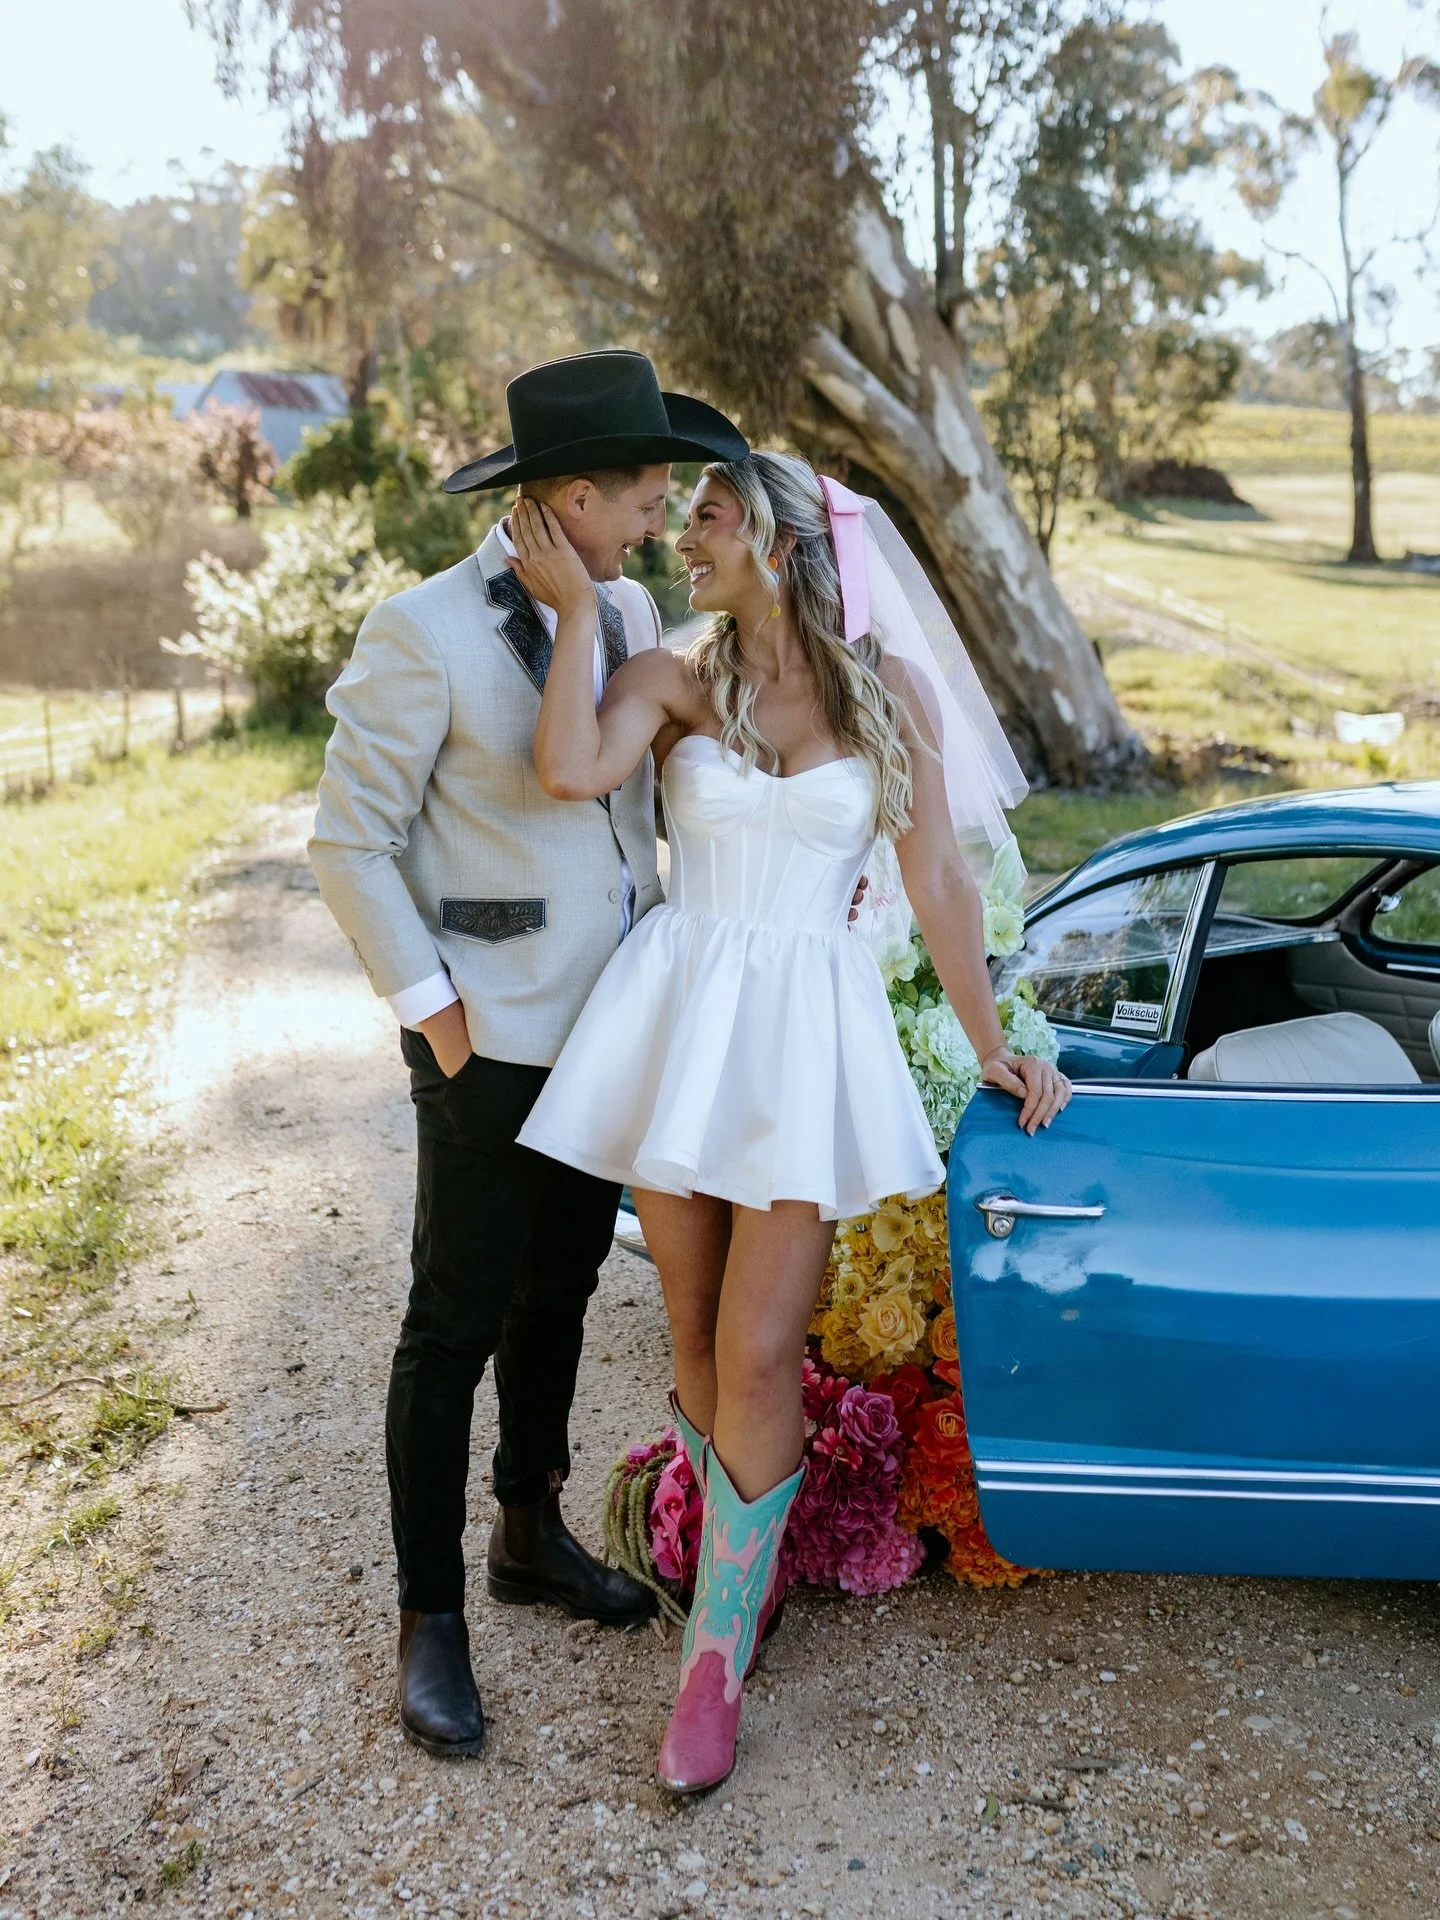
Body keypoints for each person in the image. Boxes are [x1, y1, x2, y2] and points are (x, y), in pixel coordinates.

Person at [510, 450, 1072, 1794]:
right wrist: (580, 614)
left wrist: (991, 1044)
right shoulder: (671, 678)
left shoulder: (888, 692)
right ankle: (734, 1576)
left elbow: (938, 880)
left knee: (760, 1348)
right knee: (697, 1335)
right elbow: (571, 769)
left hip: (804, 1037)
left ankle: (709, 1664)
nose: (684, 538)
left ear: (775, 536)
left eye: (707, 518)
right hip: (680, 1021)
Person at [308, 349, 751, 1759]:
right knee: (453, 1320)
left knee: (559, 1290)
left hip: (616, 1030)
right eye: (646, 499)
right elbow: (349, 843)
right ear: (572, 498)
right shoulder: (421, 631)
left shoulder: (629, 611)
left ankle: (526, 1529)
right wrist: (436, 1016)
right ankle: (430, 1617)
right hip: (486, 1041)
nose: (660, 523)